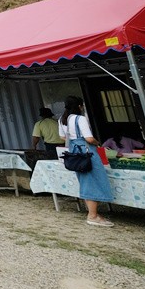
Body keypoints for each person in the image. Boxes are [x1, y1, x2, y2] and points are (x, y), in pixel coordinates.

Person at [61, 96, 114, 227]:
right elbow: (89, 139)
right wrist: (98, 143)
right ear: (80, 106)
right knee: (94, 180)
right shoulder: (80, 119)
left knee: (85, 181)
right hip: (87, 153)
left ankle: (92, 213)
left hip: (75, 153)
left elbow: (62, 137)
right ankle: (93, 215)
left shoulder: (63, 119)